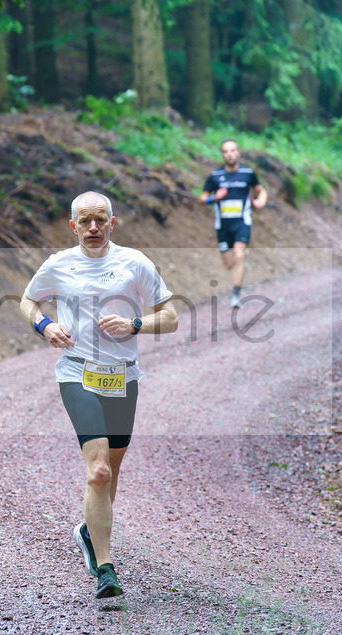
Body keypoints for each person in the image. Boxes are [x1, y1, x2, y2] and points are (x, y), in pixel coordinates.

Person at [19, 190, 178, 599]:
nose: (93, 228)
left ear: (113, 222)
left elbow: (171, 317)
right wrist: (44, 326)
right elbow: (28, 301)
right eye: (85, 221)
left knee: (111, 475)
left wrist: (135, 324)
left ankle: (88, 532)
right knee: (99, 472)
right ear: (73, 225)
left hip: (122, 377)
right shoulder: (58, 265)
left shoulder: (135, 262)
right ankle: (106, 569)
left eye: (100, 220)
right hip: (77, 373)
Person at [200, 139, 268, 309]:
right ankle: (240, 264)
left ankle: (235, 295)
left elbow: (261, 190)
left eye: (232, 150)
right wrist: (214, 198)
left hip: (242, 223)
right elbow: (203, 197)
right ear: (222, 154)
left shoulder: (248, 173)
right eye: (225, 151)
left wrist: (261, 201)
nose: (229, 154)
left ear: (238, 152)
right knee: (228, 263)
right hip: (222, 226)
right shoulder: (215, 176)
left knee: (239, 256)